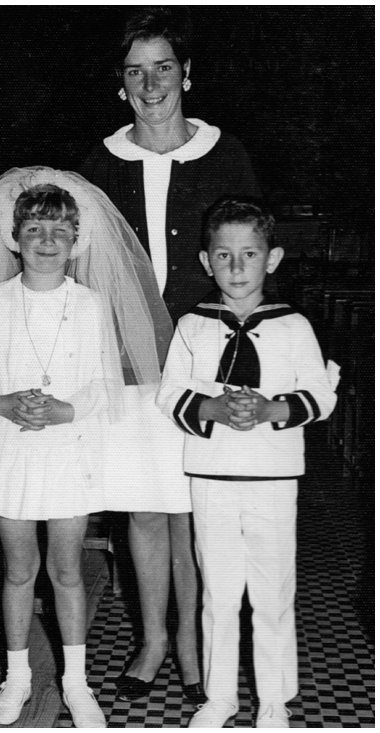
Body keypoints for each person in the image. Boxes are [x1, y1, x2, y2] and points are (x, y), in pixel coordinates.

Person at [0, 167, 173, 728]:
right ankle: (15, 679)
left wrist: (68, 410)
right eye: (35, 231)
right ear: (14, 238)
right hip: (10, 445)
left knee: (67, 569)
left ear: (76, 241)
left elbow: (103, 381)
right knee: (18, 569)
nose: (47, 242)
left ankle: (76, 683)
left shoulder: (90, 304)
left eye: (60, 232)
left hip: (69, 446)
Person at [80, 6, 260, 703]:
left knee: (195, 509)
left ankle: (192, 641)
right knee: (143, 507)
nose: (150, 84)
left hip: (204, 357)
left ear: (186, 73)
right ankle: (152, 639)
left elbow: (246, 256)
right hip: (127, 361)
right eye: (136, 72)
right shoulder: (100, 163)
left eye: (163, 68)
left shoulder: (225, 153)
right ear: (120, 83)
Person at [156, 198, 340, 728]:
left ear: (272, 258)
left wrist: (270, 409)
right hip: (210, 473)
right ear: (205, 261)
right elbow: (169, 393)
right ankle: (220, 698)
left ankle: (274, 699)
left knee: (272, 590)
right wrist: (211, 408)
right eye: (224, 255)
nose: (236, 267)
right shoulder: (193, 325)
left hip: (273, 476)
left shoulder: (293, 325)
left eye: (250, 254)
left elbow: (320, 396)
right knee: (217, 591)